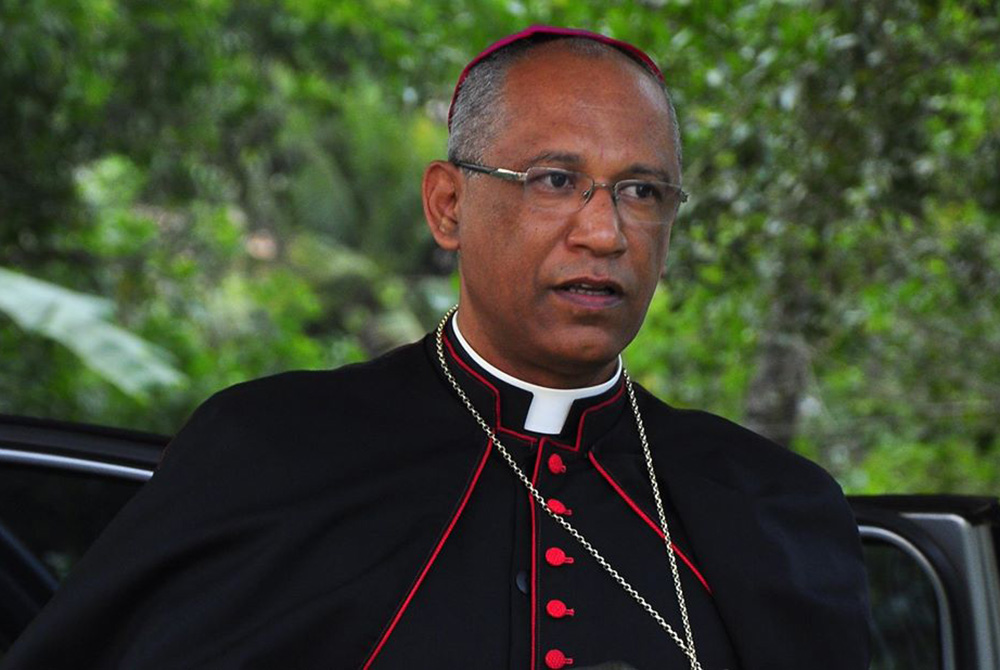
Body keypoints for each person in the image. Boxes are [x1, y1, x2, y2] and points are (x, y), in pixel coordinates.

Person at [3, 26, 870, 670]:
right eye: (556, 181)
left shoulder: (772, 507)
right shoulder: (268, 449)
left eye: (643, 191)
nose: (605, 232)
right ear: (449, 206)